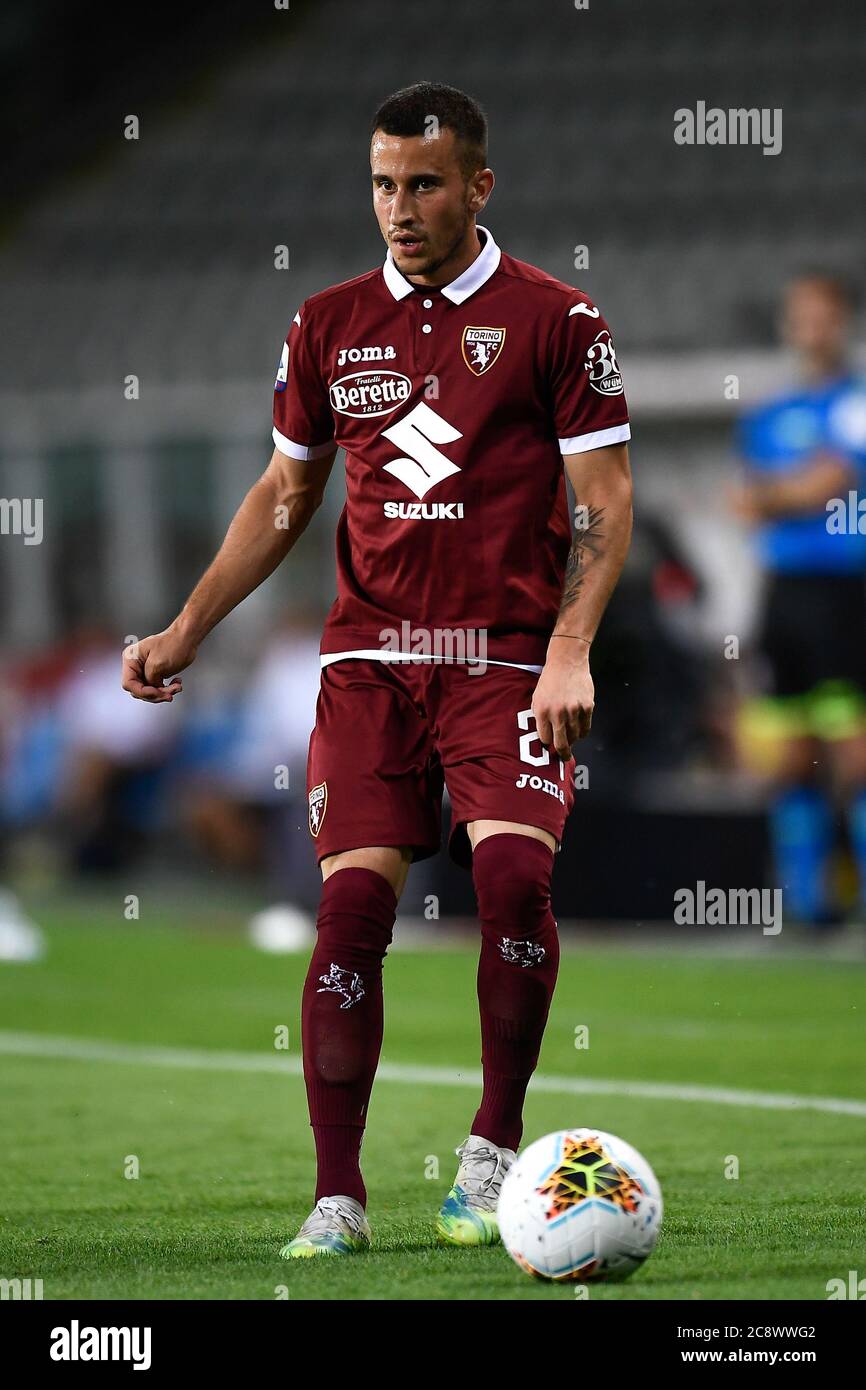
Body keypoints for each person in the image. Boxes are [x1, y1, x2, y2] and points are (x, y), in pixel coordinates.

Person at [122, 82, 633, 1257]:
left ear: (477, 187)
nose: (398, 209)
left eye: (423, 184)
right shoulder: (325, 322)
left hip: (505, 661)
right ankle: (337, 1196)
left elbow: (601, 501)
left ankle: (492, 1152)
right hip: (368, 664)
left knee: (511, 889)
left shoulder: (557, 318)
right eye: (382, 186)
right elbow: (285, 492)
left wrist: (566, 653)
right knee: (350, 905)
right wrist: (186, 628)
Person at [731, 272, 866, 927]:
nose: (811, 327)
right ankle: (806, 906)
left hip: (846, 590)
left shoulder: (856, 402)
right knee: (790, 753)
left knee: (855, 748)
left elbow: (828, 483)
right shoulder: (769, 414)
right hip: (783, 593)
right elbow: (747, 501)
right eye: (801, 315)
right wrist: (783, 493)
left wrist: (775, 494)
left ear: (841, 321)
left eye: (823, 315)